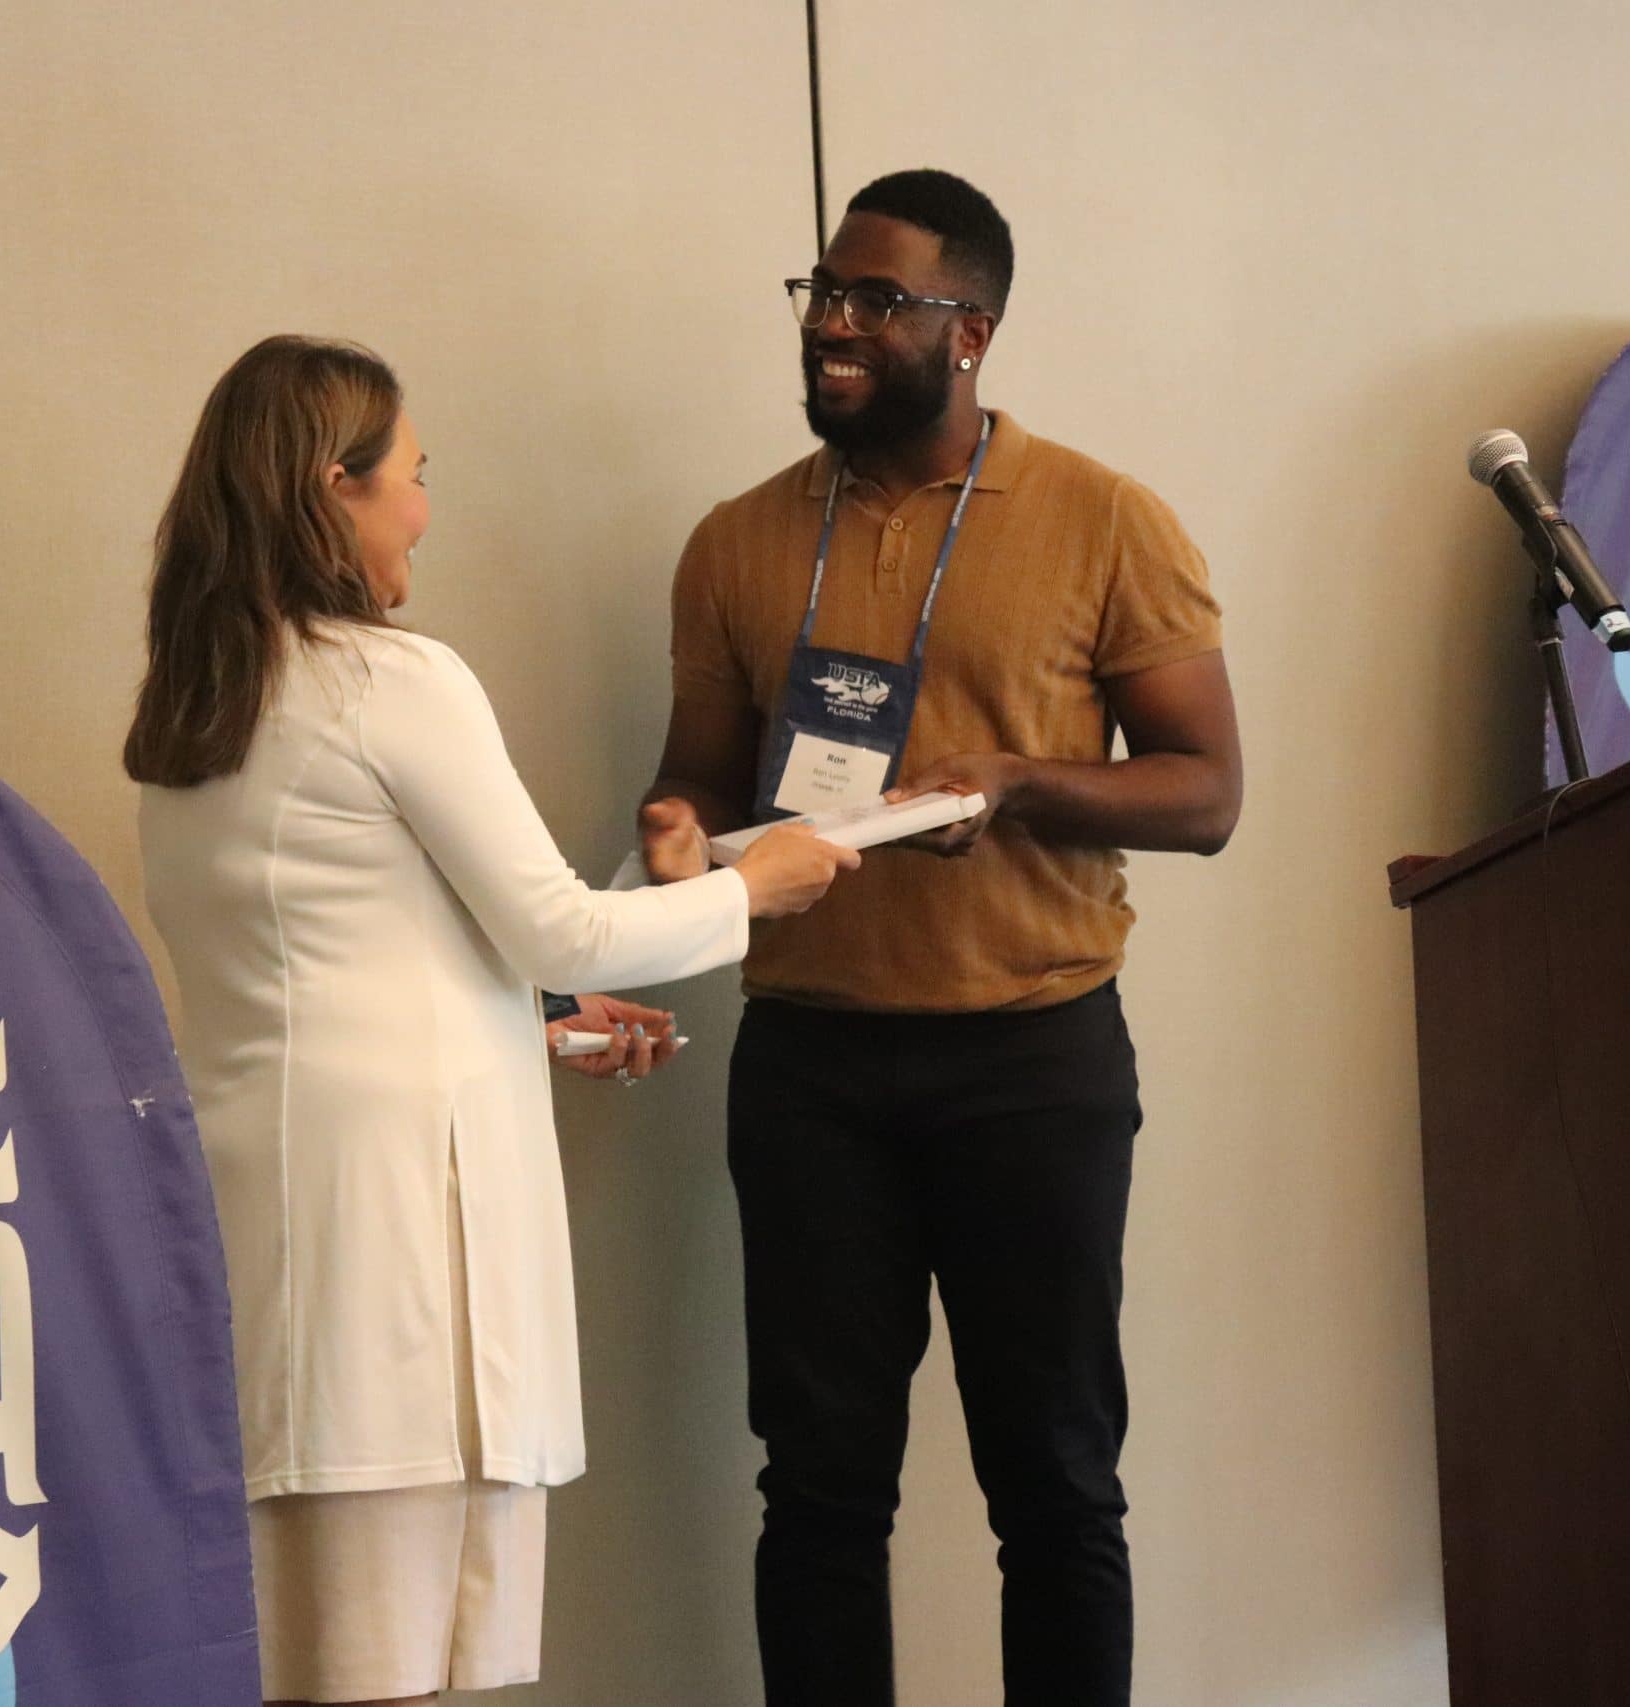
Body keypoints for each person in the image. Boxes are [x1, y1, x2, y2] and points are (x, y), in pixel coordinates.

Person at [126, 335, 855, 1707]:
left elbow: (339, 974)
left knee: (305, 1664)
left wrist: (545, 1024)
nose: (424, 509)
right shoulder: (388, 683)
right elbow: (559, 932)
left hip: (279, 1242)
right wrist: (755, 887)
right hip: (394, 1262)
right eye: (412, 475)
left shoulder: (200, 706)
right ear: (332, 488)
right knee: (382, 1672)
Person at [639, 172, 1243, 1705]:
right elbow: (698, 777)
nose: (831, 326)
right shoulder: (738, 541)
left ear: (970, 331)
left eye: (875, 301)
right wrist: (672, 834)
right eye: (822, 295)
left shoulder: (1103, 519)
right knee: (819, 1487)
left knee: (1056, 1483)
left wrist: (1023, 785)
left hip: (1031, 1061)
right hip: (812, 1069)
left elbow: (1205, 793)